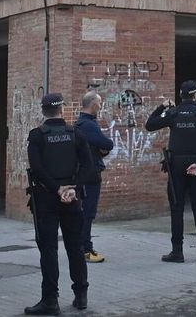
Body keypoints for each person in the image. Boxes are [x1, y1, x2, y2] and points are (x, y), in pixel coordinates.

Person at [24, 93, 92, 315]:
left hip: (46, 198)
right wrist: (73, 189)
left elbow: (37, 169)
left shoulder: (37, 136)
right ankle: (81, 295)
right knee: (76, 247)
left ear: (43, 111)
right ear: (62, 109)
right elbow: (88, 166)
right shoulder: (76, 133)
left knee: (49, 250)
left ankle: (50, 300)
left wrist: (56, 189)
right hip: (72, 198)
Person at [146, 80, 196, 262]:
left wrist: (162, 106)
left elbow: (150, 124)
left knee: (176, 208)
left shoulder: (173, 113)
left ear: (180, 95)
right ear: (195, 95)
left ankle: (177, 251)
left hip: (176, 165)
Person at [74, 92, 115, 263]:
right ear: (92, 104)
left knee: (84, 212)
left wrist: (100, 150)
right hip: (91, 175)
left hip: (84, 172)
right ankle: (85, 249)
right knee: (88, 213)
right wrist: (104, 147)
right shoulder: (89, 125)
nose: (101, 105)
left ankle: (81, 247)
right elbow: (107, 143)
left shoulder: (80, 123)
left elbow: (93, 148)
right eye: (99, 102)